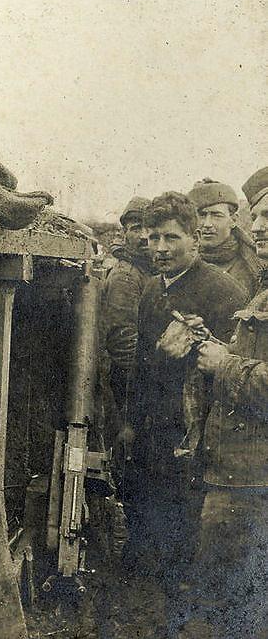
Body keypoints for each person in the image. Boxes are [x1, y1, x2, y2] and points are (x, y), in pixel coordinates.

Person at [128, 192, 247, 634]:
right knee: (156, 545)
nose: (159, 248)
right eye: (153, 238)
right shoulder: (153, 290)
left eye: (171, 238)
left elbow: (235, 371)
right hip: (155, 438)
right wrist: (129, 425)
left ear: (194, 239)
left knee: (188, 549)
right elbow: (141, 365)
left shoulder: (222, 291)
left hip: (198, 446)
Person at [180, 167, 268, 639]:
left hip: (254, 482)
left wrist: (225, 365)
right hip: (238, 473)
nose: (259, 228)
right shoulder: (264, 287)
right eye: (257, 217)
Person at [102, 196, 153, 433]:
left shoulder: (146, 268)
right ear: (125, 234)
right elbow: (123, 344)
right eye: (135, 229)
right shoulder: (126, 276)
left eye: (148, 227)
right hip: (132, 384)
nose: (143, 236)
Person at [188, 178, 260, 297]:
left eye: (216, 216)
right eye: (201, 215)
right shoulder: (180, 264)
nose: (207, 224)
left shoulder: (253, 267)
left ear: (233, 220)